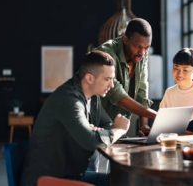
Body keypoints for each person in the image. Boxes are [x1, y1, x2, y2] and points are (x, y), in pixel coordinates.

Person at [21, 50, 130, 186]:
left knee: (121, 181)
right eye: (107, 79)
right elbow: (91, 140)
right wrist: (119, 130)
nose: (112, 85)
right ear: (90, 78)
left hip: (72, 175)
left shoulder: (94, 98)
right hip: (47, 180)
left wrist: (98, 132)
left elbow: (107, 124)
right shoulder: (68, 99)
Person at [96, 18, 156, 135]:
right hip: (96, 125)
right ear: (125, 39)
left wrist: (144, 125)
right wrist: (156, 116)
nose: (142, 52)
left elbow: (142, 92)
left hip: (119, 129)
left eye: (147, 47)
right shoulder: (106, 53)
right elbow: (117, 94)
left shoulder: (142, 55)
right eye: (138, 46)